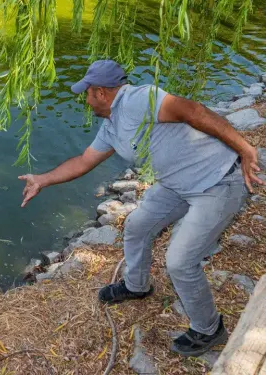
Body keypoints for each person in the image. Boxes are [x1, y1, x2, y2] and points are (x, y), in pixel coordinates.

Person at [18, 59, 264, 357]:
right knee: (136, 226)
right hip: (176, 185)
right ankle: (137, 286)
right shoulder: (111, 125)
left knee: (179, 261)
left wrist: (245, 148)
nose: (85, 99)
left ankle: (209, 328)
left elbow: (194, 111)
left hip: (218, 182)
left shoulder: (138, 99)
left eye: (87, 93)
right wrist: (42, 180)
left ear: (101, 92)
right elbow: (84, 161)